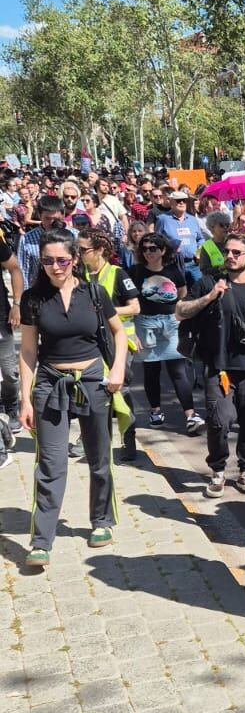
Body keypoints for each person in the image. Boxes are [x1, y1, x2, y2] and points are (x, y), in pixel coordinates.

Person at [18, 229, 126, 565]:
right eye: (47, 260)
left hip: (94, 381)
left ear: (74, 259)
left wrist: (117, 370)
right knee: (50, 464)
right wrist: (25, 399)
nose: (54, 266)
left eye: (62, 259)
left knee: (98, 458)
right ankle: (41, 542)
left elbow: (118, 332)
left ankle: (102, 521)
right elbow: (27, 351)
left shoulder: (94, 292)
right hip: (51, 384)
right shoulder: (33, 299)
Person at [177, 234, 245, 497]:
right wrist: (209, 297)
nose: (229, 256)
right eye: (227, 252)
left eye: (236, 252)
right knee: (220, 420)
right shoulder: (208, 283)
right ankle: (217, 469)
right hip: (218, 367)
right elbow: (180, 311)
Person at [77, 227, 140, 463]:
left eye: (83, 250)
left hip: (119, 342)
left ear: (100, 250)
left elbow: (135, 307)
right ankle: (94, 439)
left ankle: (129, 437)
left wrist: (105, 312)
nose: (79, 254)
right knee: (94, 389)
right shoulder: (78, 273)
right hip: (90, 342)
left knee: (119, 389)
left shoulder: (117, 273)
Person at [131, 232, 203, 433]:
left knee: (178, 370)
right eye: (144, 248)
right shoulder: (134, 272)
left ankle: (190, 414)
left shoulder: (174, 271)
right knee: (151, 371)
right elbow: (129, 299)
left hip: (171, 323)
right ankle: (155, 411)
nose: (148, 252)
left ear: (163, 251)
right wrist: (131, 332)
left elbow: (182, 294)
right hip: (145, 324)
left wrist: (181, 318)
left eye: (153, 248)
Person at [0, 224, 23, 463]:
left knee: (9, 373)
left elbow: (15, 269)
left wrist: (16, 304)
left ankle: (10, 404)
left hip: (0, 319)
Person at [155, 192, 205, 276]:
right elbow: (157, 241)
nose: (181, 203)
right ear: (171, 202)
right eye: (178, 200)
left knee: (198, 288)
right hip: (172, 265)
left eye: (184, 200)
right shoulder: (162, 219)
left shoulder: (193, 219)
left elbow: (200, 239)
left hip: (193, 264)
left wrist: (199, 251)